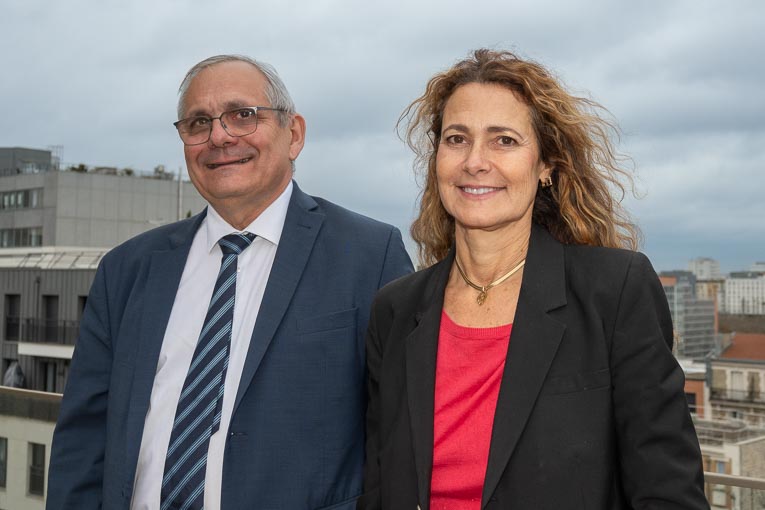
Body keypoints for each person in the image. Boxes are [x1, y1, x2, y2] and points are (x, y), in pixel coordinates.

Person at [47, 54, 413, 510]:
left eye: (243, 115)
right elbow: (82, 444)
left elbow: (402, 438)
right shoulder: (126, 270)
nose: (219, 136)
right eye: (199, 122)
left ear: (293, 134)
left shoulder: (368, 255)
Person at [359, 49, 708, 509]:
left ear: (545, 165)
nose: (475, 162)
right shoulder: (396, 310)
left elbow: (668, 492)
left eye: (503, 140)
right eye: (456, 138)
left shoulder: (614, 291)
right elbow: (379, 488)